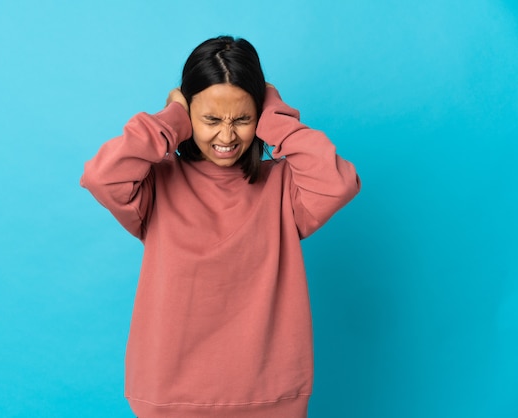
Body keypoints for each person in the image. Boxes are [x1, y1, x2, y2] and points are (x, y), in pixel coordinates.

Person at [81, 35, 360, 418]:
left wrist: (277, 120)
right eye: (210, 119)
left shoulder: (284, 188)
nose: (227, 136)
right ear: (188, 114)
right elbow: (102, 177)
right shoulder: (156, 184)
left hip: (271, 394)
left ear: (259, 116)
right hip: (169, 394)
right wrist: (170, 120)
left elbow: (337, 182)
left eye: (243, 119)